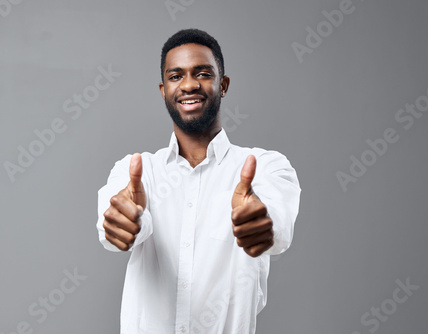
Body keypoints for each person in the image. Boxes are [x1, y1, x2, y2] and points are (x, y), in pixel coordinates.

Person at [96, 28, 301, 334]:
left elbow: (277, 225)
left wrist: (261, 224)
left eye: (202, 73)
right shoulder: (135, 171)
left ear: (224, 84)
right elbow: (115, 223)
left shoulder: (264, 168)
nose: (189, 84)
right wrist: (125, 223)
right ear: (164, 89)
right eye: (176, 76)